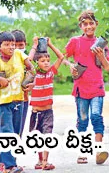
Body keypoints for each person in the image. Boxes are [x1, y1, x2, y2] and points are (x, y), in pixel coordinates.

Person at [64, 10, 109, 165]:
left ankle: (99, 151)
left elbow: (108, 67)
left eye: (91, 23)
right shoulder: (75, 42)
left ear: (96, 24)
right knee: (83, 120)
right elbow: (63, 57)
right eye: (85, 24)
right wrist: (70, 65)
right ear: (81, 26)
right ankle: (82, 152)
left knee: (96, 117)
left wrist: (101, 55)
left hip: (97, 87)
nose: (89, 26)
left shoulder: (102, 43)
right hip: (81, 88)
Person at [0, 31, 33, 173]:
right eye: (7, 45)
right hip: (4, 102)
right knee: (7, 132)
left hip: (19, 100)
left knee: (16, 134)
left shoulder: (19, 55)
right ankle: (10, 166)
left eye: (13, 44)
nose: (11, 47)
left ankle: (4, 164)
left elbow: (31, 68)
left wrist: (30, 81)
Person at [26, 36, 65, 171]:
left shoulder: (51, 73)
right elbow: (28, 61)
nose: (47, 63)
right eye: (43, 61)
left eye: (48, 60)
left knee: (47, 136)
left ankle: (45, 161)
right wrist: (35, 45)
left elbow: (61, 58)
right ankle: (39, 160)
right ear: (37, 63)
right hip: (36, 113)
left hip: (48, 112)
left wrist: (51, 44)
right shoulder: (33, 74)